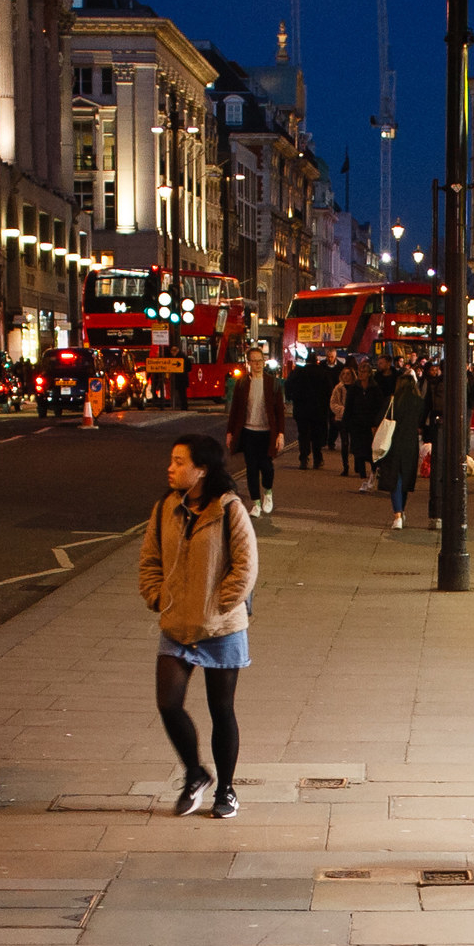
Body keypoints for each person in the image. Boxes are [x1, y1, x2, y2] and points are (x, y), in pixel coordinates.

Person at [137, 433, 260, 821]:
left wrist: (220, 605)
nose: (170, 468)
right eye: (171, 461)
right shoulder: (164, 509)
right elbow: (150, 559)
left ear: (201, 469)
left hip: (222, 628)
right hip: (176, 624)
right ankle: (195, 773)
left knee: (221, 710)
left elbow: (246, 565)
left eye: (178, 462)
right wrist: (157, 595)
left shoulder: (229, 509)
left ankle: (226, 790)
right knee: (168, 703)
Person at [228, 351, 285, 516]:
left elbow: (279, 411)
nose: (257, 364)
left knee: (267, 467)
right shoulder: (242, 384)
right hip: (248, 432)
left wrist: (280, 433)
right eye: (254, 361)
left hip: (267, 432)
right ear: (249, 363)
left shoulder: (272, 383)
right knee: (251, 469)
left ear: (264, 362)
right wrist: (230, 432)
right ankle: (256, 504)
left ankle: (268, 493)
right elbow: (235, 411)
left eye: (260, 361)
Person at [376, 362, 428, 530]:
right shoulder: (419, 402)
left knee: (395, 479)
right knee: (405, 478)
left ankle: (397, 514)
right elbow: (422, 422)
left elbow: (379, 419)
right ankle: (401, 510)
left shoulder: (392, 400)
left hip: (392, 442)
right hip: (410, 443)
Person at [290, 355, 333, 470]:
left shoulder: (298, 372)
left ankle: (303, 459)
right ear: (316, 361)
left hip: (302, 410)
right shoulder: (323, 373)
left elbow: (289, 387)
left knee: (303, 435)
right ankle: (317, 459)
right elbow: (329, 391)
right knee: (316, 435)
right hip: (318, 410)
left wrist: (293, 399)